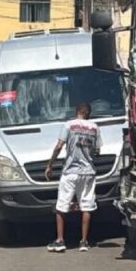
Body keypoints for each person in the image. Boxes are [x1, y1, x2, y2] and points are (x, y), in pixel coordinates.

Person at [45, 102, 102, 252]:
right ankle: (83, 241)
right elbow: (97, 151)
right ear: (89, 113)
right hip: (88, 172)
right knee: (87, 207)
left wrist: (50, 164)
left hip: (70, 171)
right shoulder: (95, 127)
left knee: (61, 206)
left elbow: (59, 146)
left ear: (77, 111)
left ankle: (60, 240)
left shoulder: (69, 125)